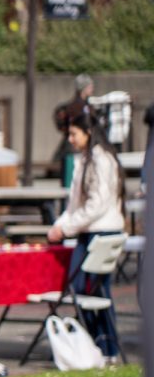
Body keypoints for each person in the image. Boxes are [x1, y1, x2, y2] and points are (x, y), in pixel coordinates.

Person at [48, 111, 125, 362]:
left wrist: (67, 228)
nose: (70, 138)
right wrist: (61, 225)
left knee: (92, 289)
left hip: (101, 231)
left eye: (73, 133)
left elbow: (97, 204)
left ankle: (105, 346)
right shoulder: (85, 159)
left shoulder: (101, 160)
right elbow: (74, 203)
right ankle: (99, 345)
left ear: (88, 133)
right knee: (87, 290)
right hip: (88, 231)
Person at [53, 74, 93, 182]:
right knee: (72, 180)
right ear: (83, 88)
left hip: (75, 148)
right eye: (89, 86)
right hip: (74, 149)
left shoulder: (83, 105)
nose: (92, 88)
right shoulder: (78, 106)